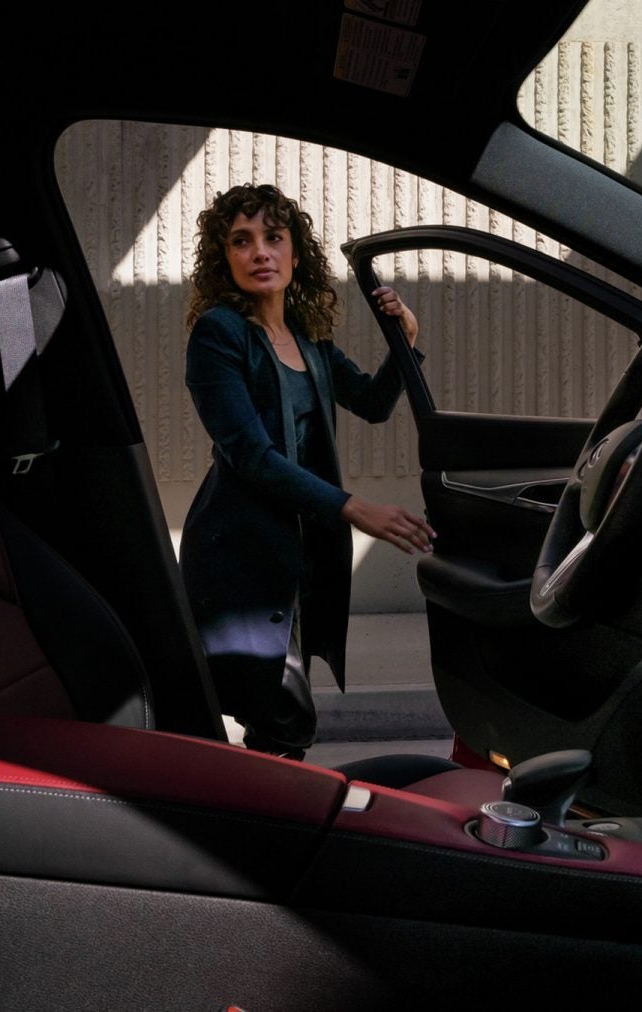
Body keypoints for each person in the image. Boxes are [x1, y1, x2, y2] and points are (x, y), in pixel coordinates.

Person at [182, 182, 435, 759]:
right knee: (285, 719)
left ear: (296, 255)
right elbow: (251, 455)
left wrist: (406, 341)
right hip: (240, 558)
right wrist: (355, 509)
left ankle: (257, 807)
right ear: (224, 258)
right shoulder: (219, 334)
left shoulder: (308, 338)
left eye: (274, 238)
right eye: (241, 241)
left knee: (280, 723)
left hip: (298, 553)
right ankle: (264, 808)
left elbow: (372, 403)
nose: (260, 252)